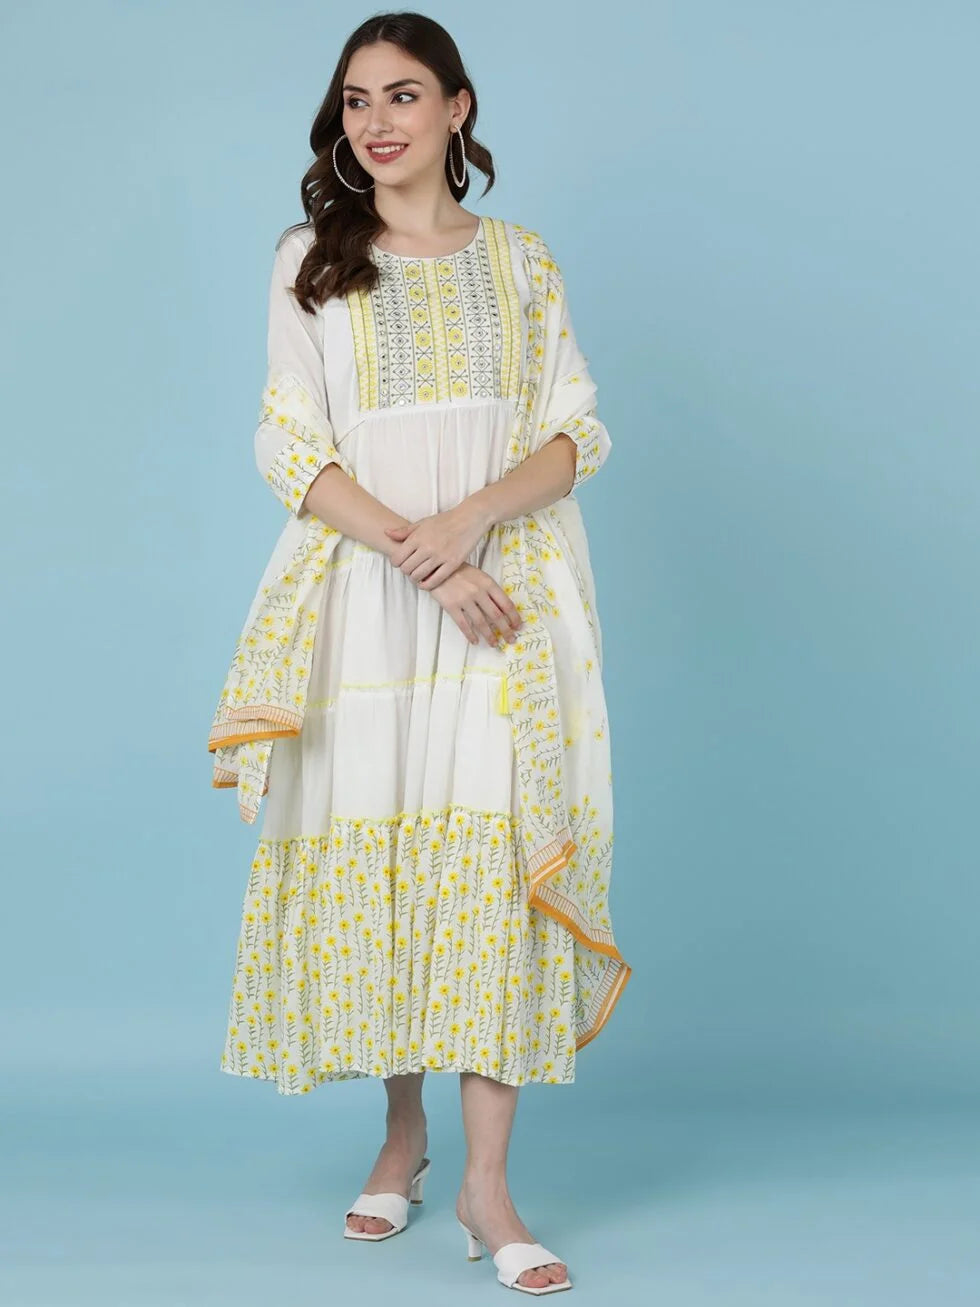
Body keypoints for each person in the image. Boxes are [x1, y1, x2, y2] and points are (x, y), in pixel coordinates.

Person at [207, 11, 631, 1296]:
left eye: (402, 94)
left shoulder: (520, 260)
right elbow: (290, 446)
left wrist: (467, 530)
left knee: (495, 868)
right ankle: (402, 1134)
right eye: (354, 101)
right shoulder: (309, 262)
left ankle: (486, 1187)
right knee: (389, 858)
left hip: (505, 603)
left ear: (458, 106)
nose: (376, 121)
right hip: (367, 607)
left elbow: (574, 434)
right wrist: (422, 552)